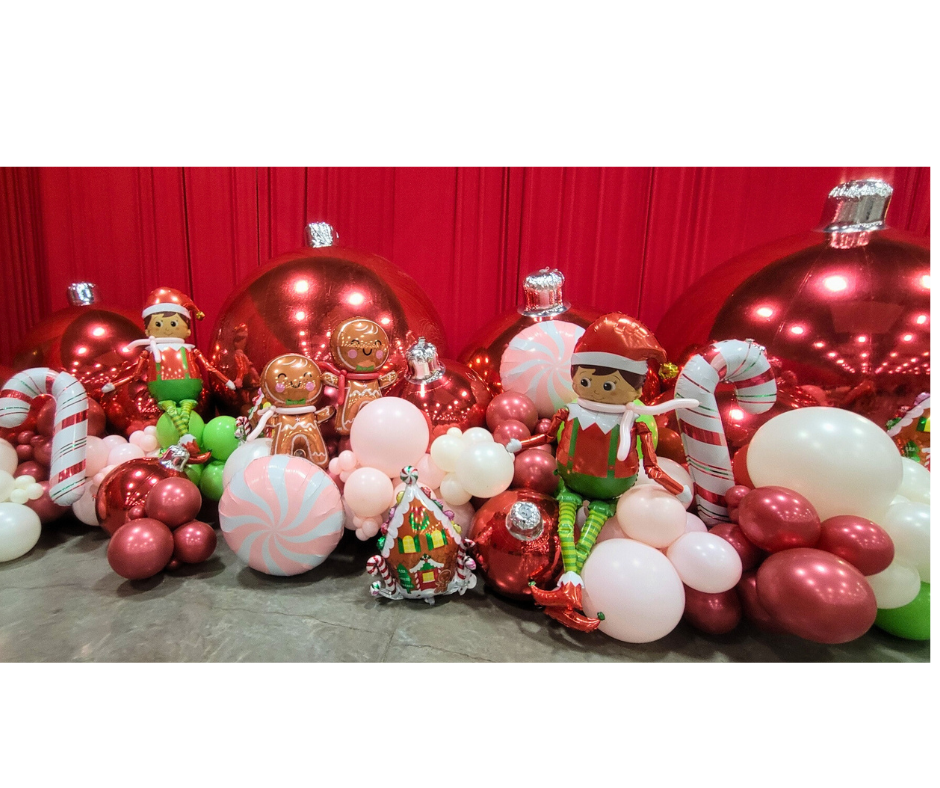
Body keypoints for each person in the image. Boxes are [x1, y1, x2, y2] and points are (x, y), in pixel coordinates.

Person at [508, 313, 695, 631]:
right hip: (570, 481)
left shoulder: (633, 423)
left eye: (608, 385)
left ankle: (566, 595)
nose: (595, 389)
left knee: (584, 542)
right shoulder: (571, 411)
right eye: (585, 380)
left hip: (609, 491)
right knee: (566, 531)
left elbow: (650, 464)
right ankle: (569, 595)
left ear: (633, 386)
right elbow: (550, 437)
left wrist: (677, 488)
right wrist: (520, 444)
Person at [103, 287, 235, 438]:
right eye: (158, 324)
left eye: (173, 324)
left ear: (187, 331)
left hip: (189, 387)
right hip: (162, 390)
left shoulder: (188, 351)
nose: (166, 330)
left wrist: (227, 381)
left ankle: (185, 436)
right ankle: (187, 437)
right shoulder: (151, 352)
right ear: (147, 331)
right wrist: (115, 385)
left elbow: (209, 367)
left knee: (185, 407)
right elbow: (135, 374)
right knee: (171, 409)